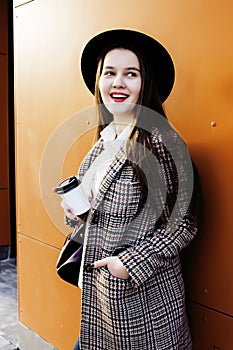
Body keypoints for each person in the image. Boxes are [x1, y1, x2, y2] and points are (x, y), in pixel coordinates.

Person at [61, 29, 202, 350]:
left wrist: (130, 264)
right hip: (98, 302)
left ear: (146, 83)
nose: (118, 82)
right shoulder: (104, 140)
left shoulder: (162, 142)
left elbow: (184, 223)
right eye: (109, 73)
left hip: (142, 307)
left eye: (131, 74)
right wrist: (75, 212)